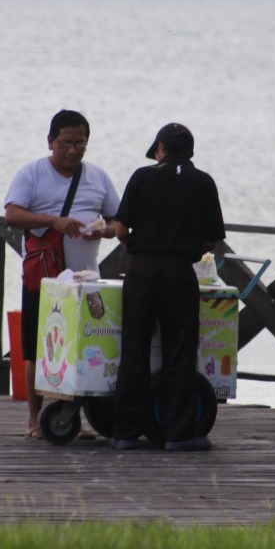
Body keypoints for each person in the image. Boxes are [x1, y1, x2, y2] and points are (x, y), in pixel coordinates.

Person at [4, 110, 121, 439]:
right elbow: (12, 215)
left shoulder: (98, 177)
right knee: (37, 348)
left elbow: (117, 222)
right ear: (50, 141)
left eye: (80, 143)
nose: (73, 150)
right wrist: (54, 221)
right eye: (66, 143)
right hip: (45, 278)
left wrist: (103, 230)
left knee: (84, 347)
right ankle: (33, 418)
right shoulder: (32, 173)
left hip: (87, 281)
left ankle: (76, 420)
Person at [111, 123, 226, 452]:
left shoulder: (142, 177)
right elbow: (209, 241)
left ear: (160, 148)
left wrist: (137, 246)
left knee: (134, 348)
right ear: (190, 151)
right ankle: (179, 433)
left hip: (142, 271)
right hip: (179, 273)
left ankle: (125, 433)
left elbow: (120, 228)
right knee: (180, 352)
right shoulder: (203, 182)